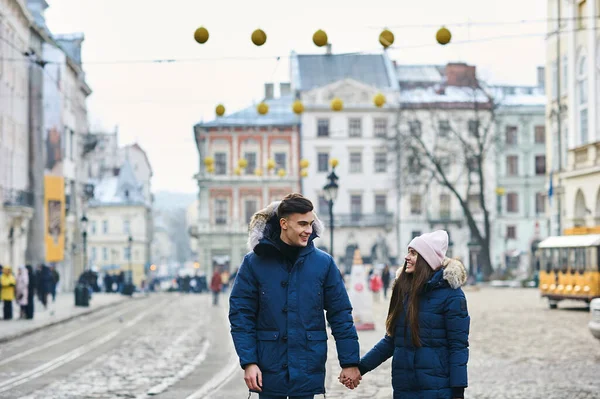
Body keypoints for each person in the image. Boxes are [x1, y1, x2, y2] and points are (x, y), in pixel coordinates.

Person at [229, 193, 361, 399]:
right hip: (269, 370)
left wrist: (350, 362)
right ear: (283, 223)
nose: (308, 230)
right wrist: (249, 362)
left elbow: (341, 314)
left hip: (308, 368)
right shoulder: (254, 263)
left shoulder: (324, 264)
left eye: (310, 224)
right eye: (302, 224)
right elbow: (241, 315)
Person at [343, 230, 470, 399]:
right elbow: (392, 340)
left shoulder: (452, 296)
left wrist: (457, 392)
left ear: (427, 259)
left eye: (413, 253)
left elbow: (458, 347)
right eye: (408, 251)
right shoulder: (405, 291)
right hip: (404, 387)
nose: (406, 257)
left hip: (437, 389)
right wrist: (360, 368)